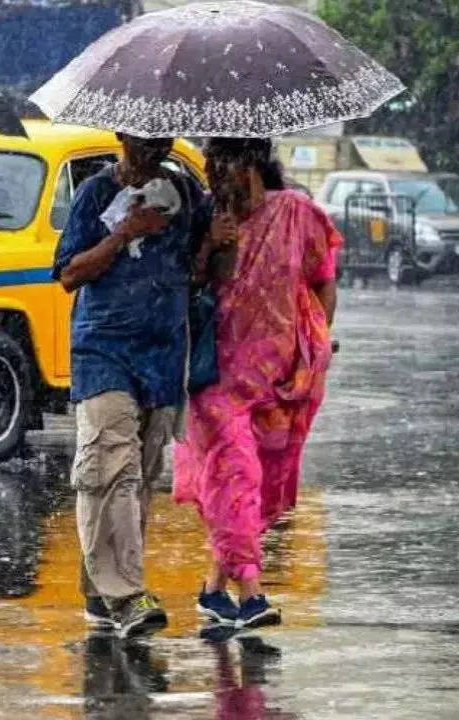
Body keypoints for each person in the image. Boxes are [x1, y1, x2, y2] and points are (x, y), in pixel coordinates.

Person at [173, 138, 340, 630]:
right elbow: (187, 285)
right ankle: (251, 593)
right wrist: (210, 246)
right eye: (211, 163)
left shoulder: (297, 213)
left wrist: (318, 344)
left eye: (225, 161)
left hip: (280, 377)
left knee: (254, 489)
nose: (216, 172)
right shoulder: (204, 218)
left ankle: (212, 590)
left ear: (251, 162)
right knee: (237, 473)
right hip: (216, 377)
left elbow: (322, 278)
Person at [52, 133, 210, 638]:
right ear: (122, 136)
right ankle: (126, 594)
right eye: (143, 139)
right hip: (104, 350)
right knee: (107, 467)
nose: (153, 148)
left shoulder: (186, 193)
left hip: (162, 356)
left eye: (161, 139)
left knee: (137, 477)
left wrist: (215, 240)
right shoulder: (95, 194)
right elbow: (70, 273)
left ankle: (101, 592)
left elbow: (197, 273)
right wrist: (123, 233)